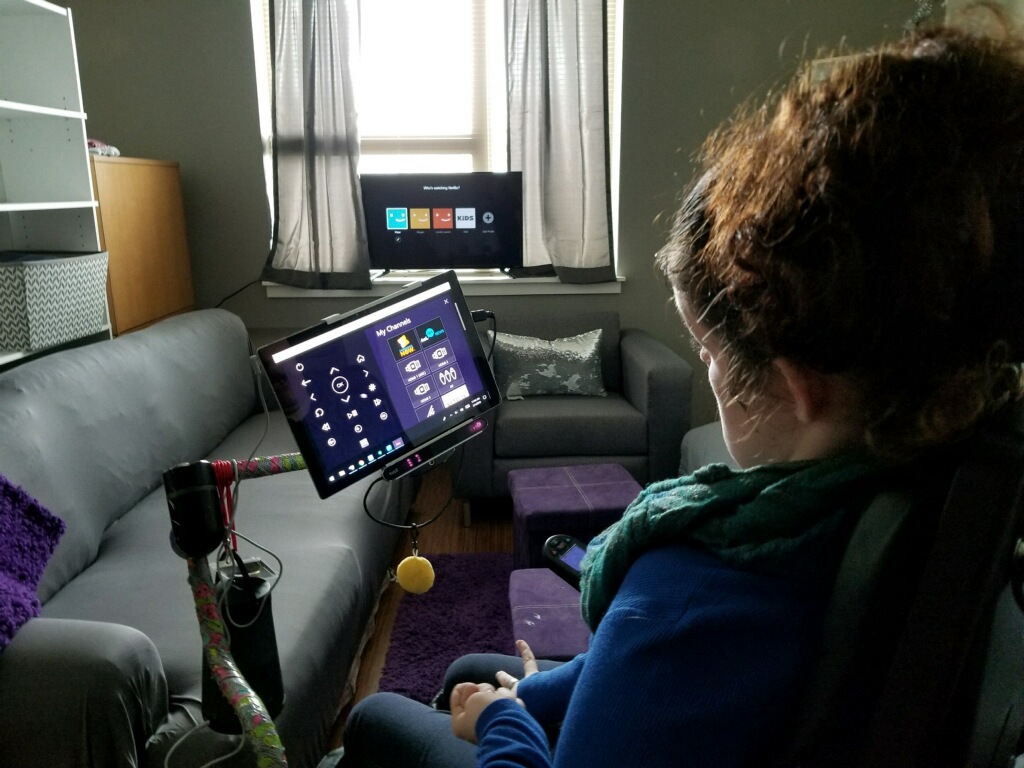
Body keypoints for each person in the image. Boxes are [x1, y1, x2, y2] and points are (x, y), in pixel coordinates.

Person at [339, 17, 1024, 768]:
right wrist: (525, 698)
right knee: (477, 674)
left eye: (705, 349)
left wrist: (506, 722)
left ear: (799, 384)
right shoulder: (940, 481)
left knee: (377, 716)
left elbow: (660, 661)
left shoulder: (690, 597)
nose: (704, 366)